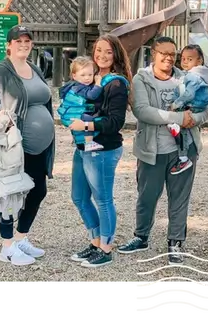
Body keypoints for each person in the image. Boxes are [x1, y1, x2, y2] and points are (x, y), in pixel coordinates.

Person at [117, 36, 208, 265]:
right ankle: (141, 236)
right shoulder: (142, 79)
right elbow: (142, 111)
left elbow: (205, 107)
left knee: (179, 197)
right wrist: (178, 117)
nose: (168, 58)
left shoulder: (186, 76)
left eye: (172, 54)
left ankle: (175, 241)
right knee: (147, 196)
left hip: (183, 148)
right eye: (163, 53)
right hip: (152, 149)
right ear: (153, 53)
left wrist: (193, 119)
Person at [0, 25, 55, 266]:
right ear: (9, 44)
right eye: (18, 40)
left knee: (38, 191)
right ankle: (6, 247)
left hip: (39, 147)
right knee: (8, 193)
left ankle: (20, 238)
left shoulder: (35, 69)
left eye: (28, 41)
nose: (24, 44)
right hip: (13, 146)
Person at [68, 34, 132, 268]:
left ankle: (106, 248)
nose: (102, 56)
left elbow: (116, 122)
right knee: (79, 196)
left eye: (108, 51)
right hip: (83, 146)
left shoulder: (116, 83)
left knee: (103, 199)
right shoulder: (90, 78)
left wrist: (86, 125)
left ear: (115, 54)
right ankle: (95, 241)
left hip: (104, 149)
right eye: (98, 51)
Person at [167, 44, 208, 174]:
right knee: (183, 130)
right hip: (195, 107)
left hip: (193, 107)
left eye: (190, 59)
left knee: (180, 127)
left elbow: (189, 94)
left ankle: (184, 156)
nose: (185, 62)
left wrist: (175, 104)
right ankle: (184, 156)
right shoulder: (202, 75)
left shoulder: (193, 76)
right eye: (183, 59)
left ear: (199, 61)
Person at [58, 56, 104, 152]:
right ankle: (89, 143)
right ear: (74, 76)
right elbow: (92, 95)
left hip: (70, 114)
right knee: (88, 119)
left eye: (90, 74)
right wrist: (98, 83)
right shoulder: (79, 87)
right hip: (73, 115)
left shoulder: (72, 85)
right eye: (83, 75)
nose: (87, 78)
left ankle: (80, 141)